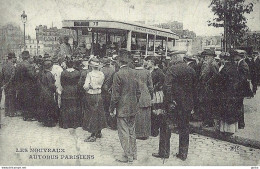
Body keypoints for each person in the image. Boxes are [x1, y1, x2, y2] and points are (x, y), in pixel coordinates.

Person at [161, 53, 196, 161]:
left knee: (165, 127)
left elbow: (167, 87)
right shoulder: (191, 70)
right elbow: (195, 88)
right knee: (184, 128)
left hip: (174, 104)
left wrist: (171, 100)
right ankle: (183, 154)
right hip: (186, 105)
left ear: (175, 58)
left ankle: (164, 152)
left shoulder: (172, 69)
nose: (170, 60)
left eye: (171, 58)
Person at [109, 50, 141, 163]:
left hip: (122, 108)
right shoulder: (135, 72)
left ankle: (128, 156)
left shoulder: (118, 74)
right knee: (132, 131)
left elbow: (115, 95)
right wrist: (135, 103)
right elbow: (138, 91)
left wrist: (111, 108)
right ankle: (134, 153)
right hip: (133, 107)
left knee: (123, 132)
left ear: (119, 61)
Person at [83, 58, 107, 142]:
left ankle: (93, 134)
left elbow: (85, 86)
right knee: (99, 113)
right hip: (99, 94)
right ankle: (99, 132)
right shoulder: (102, 74)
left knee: (91, 114)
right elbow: (102, 83)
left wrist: (90, 86)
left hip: (91, 95)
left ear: (91, 66)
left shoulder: (89, 74)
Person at [217, 52, 240, 135]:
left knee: (226, 110)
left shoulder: (225, 68)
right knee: (229, 111)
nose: (220, 60)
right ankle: (228, 129)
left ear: (224, 59)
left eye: (221, 58)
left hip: (226, 92)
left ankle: (227, 130)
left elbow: (221, 80)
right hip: (231, 92)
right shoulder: (233, 67)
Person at [133, 58, 153, 140]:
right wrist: (151, 95)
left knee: (136, 115)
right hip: (145, 95)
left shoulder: (132, 72)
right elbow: (150, 86)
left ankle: (137, 133)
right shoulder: (147, 72)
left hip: (135, 96)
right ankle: (145, 133)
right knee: (146, 115)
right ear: (142, 64)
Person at [198, 50, 219, 127]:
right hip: (205, 87)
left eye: (207, 56)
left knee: (208, 105)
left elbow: (216, 76)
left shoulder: (213, 64)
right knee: (206, 104)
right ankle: (207, 120)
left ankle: (209, 121)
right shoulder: (207, 63)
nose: (205, 58)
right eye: (205, 56)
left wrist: (208, 82)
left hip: (209, 88)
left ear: (212, 57)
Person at [15, 51, 38, 121]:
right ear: (28, 57)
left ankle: (24, 115)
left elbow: (16, 76)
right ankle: (29, 116)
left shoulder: (19, 64)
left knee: (24, 100)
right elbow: (33, 76)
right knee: (29, 100)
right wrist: (36, 70)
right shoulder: (28, 65)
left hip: (21, 85)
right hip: (28, 85)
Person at [59, 58, 81, 129]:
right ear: (73, 64)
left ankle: (65, 124)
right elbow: (79, 83)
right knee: (74, 107)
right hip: (75, 91)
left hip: (66, 90)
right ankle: (74, 124)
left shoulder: (63, 72)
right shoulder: (77, 72)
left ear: (67, 65)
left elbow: (62, 83)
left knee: (65, 107)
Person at [37, 58, 58, 127]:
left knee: (45, 106)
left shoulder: (42, 73)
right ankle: (49, 122)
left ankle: (45, 121)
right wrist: (55, 88)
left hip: (43, 91)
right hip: (48, 92)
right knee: (50, 106)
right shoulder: (49, 74)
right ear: (49, 66)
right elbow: (50, 85)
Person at [100, 57, 115, 128]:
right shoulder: (113, 70)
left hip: (102, 90)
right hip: (109, 91)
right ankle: (109, 122)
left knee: (103, 107)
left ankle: (104, 122)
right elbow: (114, 81)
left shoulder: (101, 70)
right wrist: (110, 88)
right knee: (109, 106)